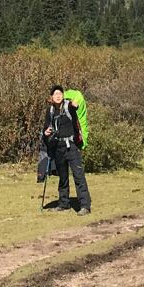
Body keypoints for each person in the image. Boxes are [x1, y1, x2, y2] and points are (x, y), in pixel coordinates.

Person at [43, 85, 91, 214]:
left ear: (63, 95)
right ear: (51, 98)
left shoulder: (68, 105)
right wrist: (46, 132)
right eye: (55, 94)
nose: (58, 95)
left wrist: (74, 105)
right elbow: (46, 127)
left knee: (78, 175)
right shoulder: (51, 111)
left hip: (71, 146)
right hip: (58, 147)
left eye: (60, 93)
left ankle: (85, 206)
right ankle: (64, 204)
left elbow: (75, 105)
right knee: (62, 177)